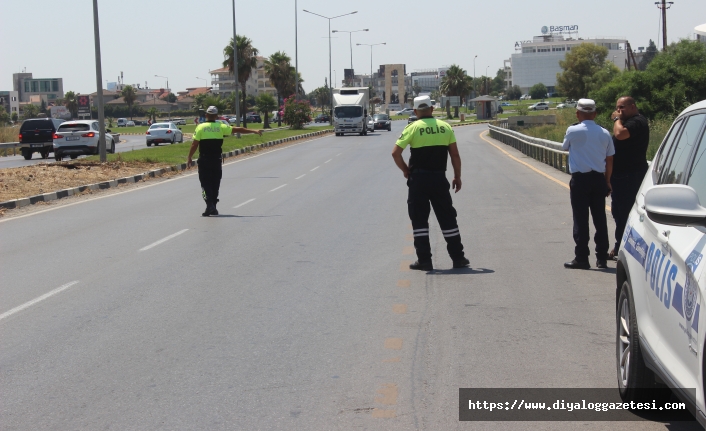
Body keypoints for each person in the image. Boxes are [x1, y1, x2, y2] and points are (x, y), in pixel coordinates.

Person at [391, 95, 470, 271]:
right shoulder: (445, 127)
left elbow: (395, 153)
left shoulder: (412, 128)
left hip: (418, 180)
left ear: (415, 111)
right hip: (439, 179)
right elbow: (455, 155)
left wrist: (405, 169)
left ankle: (424, 260)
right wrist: (457, 176)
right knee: (447, 217)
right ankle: (458, 257)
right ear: (432, 110)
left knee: (419, 220)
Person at [562, 99, 615, 269]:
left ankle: (582, 258)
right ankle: (602, 258)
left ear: (577, 114)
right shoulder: (605, 133)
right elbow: (609, 159)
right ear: (595, 114)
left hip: (580, 180)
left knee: (581, 219)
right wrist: (607, 181)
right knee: (600, 219)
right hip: (599, 179)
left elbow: (565, 147)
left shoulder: (573, 130)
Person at [187, 105, 262, 217]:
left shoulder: (200, 127)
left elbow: (194, 144)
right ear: (216, 116)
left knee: (205, 183)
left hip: (204, 159)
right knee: (215, 183)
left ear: (206, 115)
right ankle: (213, 207)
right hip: (216, 159)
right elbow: (238, 129)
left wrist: (189, 157)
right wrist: (254, 131)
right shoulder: (221, 126)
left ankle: (209, 205)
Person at [609, 96, 649, 260]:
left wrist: (617, 119)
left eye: (622, 107)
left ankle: (623, 248)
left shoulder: (637, 121)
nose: (619, 111)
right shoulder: (628, 121)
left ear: (633, 106)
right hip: (620, 177)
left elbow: (620, 134)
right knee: (618, 213)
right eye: (617, 108)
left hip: (630, 176)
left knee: (626, 213)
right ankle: (621, 244)